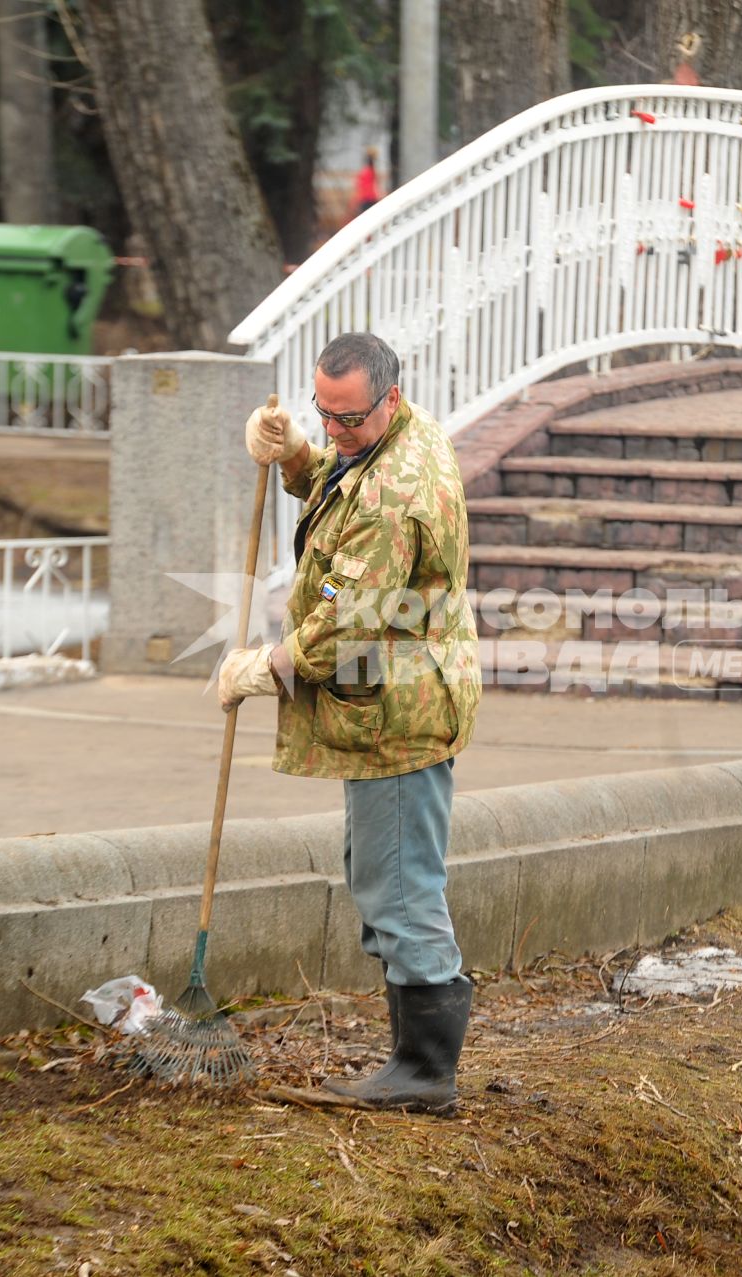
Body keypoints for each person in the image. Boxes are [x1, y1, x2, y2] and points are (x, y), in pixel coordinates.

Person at [217, 332, 481, 1113]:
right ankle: (414, 1059)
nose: (336, 432)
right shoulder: (392, 432)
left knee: (399, 886)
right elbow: (345, 483)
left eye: (347, 420)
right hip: (397, 695)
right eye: (321, 415)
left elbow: (345, 623)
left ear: (388, 400)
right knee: (381, 869)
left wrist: (264, 667)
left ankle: (425, 1070)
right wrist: (299, 457)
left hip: (398, 707)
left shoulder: (397, 490)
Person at [350, 147, 382, 219]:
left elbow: (359, 186)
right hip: (368, 199)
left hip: (368, 198)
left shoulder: (366, 171)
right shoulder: (369, 172)